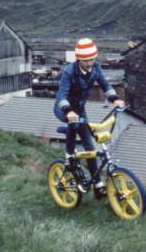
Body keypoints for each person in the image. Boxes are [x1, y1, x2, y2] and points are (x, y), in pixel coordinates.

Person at [54, 38, 125, 198]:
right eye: (85, 60)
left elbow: (105, 85)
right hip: (65, 109)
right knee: (73, 125)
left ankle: (98, 185)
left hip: (80, 109)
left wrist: (115, 99)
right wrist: (68, 111)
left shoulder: (96, 68)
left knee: (91, 148)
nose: (89, 63)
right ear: (78, 59)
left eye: (92, 59)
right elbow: (61, 96)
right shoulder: (69, 72)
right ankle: (69, 156)